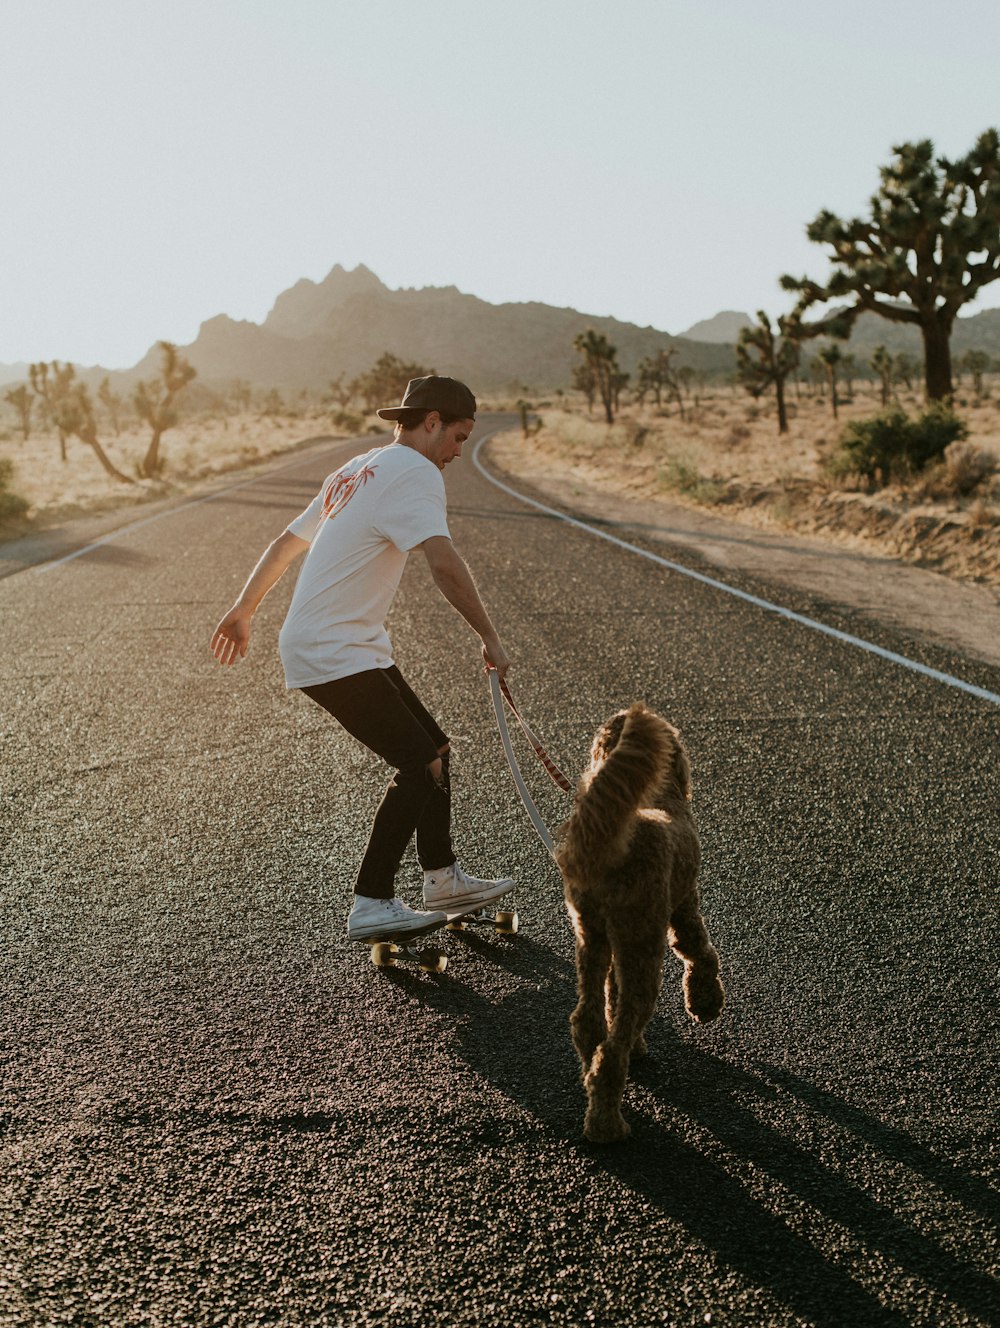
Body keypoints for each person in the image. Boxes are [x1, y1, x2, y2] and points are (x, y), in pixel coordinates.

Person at [210, 375, 514, 940]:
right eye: (459, 436)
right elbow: (443, 563)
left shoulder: (358, 467)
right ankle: (372, 901)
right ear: (431, 423)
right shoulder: (417, 473)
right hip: (334, 649)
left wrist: (244, 608)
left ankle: (442, 878)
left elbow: (287, 541)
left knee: (436, 752)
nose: (458, 451)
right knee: (417, 765)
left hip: (348, 643)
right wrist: (489, 637)